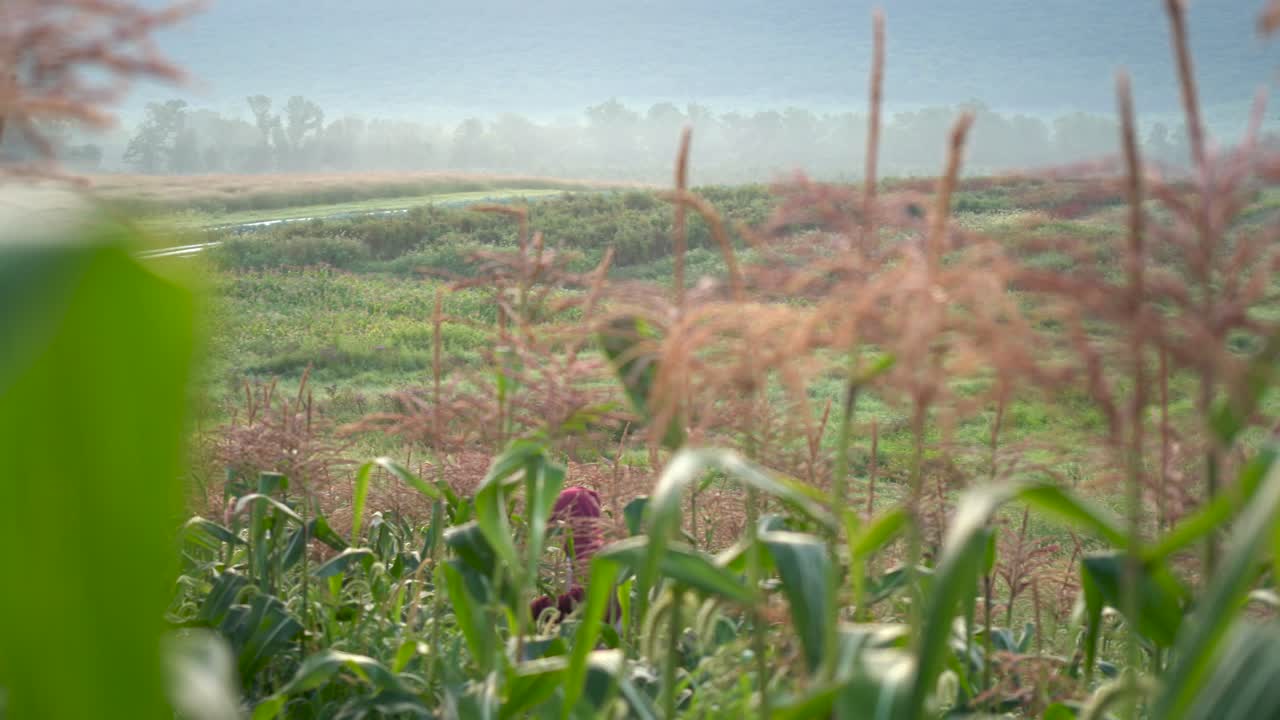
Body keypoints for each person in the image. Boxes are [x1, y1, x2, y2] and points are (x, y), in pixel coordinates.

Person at [529, 486, 619, 624]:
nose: (555, 530)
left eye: (558, 521)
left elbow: (585, 598)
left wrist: (533, 609)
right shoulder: (580, 550)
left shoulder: (593, 554)